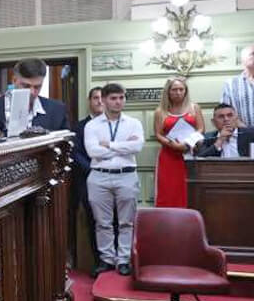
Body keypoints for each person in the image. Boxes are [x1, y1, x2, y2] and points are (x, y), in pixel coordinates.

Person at [84, 83, 144, 276]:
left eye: (121, 98)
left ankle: (124, 260)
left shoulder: (134, 123)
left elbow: (137, 147)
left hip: (126, 175)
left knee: (126, 222)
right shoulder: (92, 125)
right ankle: (107, 259)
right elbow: (92, 151)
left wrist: (109, 145)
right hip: (99, 177)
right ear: (104, 100)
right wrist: (123, 146)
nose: (118, 102)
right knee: (102, 222)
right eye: (113, 98)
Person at [0, 58, 70, 133]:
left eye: (37, 87)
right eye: (26, 86)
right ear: (14, 80)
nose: (32, 92)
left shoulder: (57, 110)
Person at [152, 76, 203, 207]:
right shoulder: (160, 111)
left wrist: (187, 144)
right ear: (168, 92)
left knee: (188, 190)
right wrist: (173, 145)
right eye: (174, 90)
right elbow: (158, 134)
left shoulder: (194, 107)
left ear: (186, 91)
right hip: (168, 157)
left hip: (190, 153)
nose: (178, 93)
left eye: (181, 89)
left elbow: (201, 128)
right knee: (168, 191)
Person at [72, 87, 104, 271]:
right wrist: (95, 169)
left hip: (113, 178)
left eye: (102, 98)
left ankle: (118, 263)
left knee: (115, 222)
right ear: (89, 101)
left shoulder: (114, 125)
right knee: (95, 222)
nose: (99, 101)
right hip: (88, 179)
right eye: (95, 98)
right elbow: (76, 154)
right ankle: (99, 262)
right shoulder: (79, 126)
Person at [219, 45, 254, 127]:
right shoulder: (230, 84)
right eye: (253, 54)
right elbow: (225, 112)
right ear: (243, 60)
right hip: (243, 135)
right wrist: (248, 132)